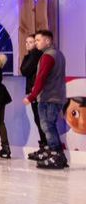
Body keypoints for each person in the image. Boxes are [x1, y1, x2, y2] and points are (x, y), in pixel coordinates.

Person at [24, 29, 68, 170]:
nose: (36, 43)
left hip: (49, 97)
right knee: (49, 125)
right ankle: (58, 155)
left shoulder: (48, 56)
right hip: (55, 96)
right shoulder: (58, 54)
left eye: (38, 40)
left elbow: (41, 78)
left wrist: (32, 96)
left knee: (48, 126)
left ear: (47, 41)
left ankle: (56, 155)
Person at [19, 34, 45, 144]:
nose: (27, 44)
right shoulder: (30, 55)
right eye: (26, 42)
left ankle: (47, 146)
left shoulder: (36, 55)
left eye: (30, 42)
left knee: (40, 120)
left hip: (37, 90)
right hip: (33, 89)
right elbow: (23, 69)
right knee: (38, 119)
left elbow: (24, 70)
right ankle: (44, 145)